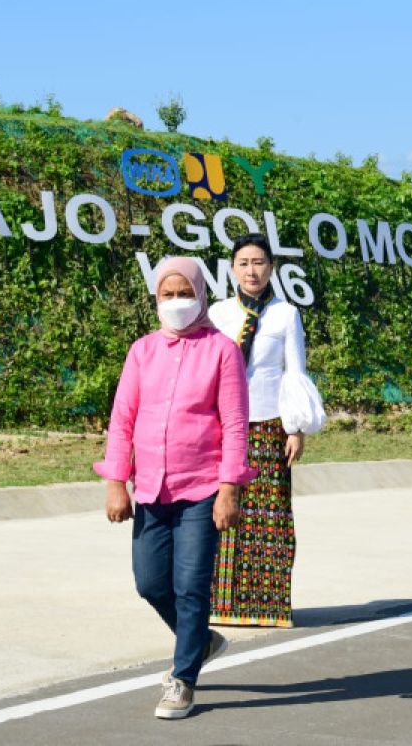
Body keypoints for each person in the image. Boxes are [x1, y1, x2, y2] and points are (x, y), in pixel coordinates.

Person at [95, 256, 256, 720]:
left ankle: (183, 679)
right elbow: (121, 420)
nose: (176, 302)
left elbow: (235, 424)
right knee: (150, 583)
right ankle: (201, 641)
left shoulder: (222, 350)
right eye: (167, 295)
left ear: (201, 294)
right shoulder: (141, 351)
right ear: (155, 299)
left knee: (190, 587)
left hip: (202, 486)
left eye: (184, 293)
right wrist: (115, 483)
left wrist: (230, 488)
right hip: (149, 489)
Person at [207, 233, 325, 628]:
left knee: (268, 514)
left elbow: (296, 371)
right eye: (243, 263)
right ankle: (219, 604)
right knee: (220, 511)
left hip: (268, 425)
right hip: (224, 426)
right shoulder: (218, 313)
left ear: (271, 268)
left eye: (259, 262)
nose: (251, 270)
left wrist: (295, 428)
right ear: (232, 269)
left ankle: (267, 605)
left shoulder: (285, 314)